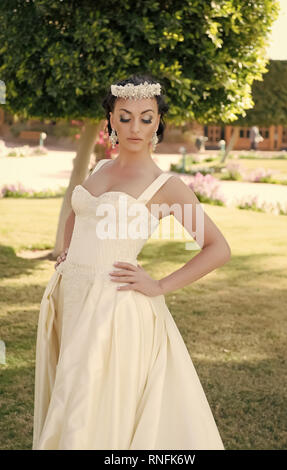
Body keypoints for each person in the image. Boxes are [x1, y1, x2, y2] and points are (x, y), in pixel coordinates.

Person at [32, 73, 230, 450]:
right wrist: (69, 251)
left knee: (93, 404)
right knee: (70, 393)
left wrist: (158, 286)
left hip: (115, 308)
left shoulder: (165, 185)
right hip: (70, 298)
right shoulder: (100, 169)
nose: (135, 127)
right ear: (110, 121)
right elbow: (79, 211)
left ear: (158, 122)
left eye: (146, 117)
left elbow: (217, 247)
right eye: (125, 116)